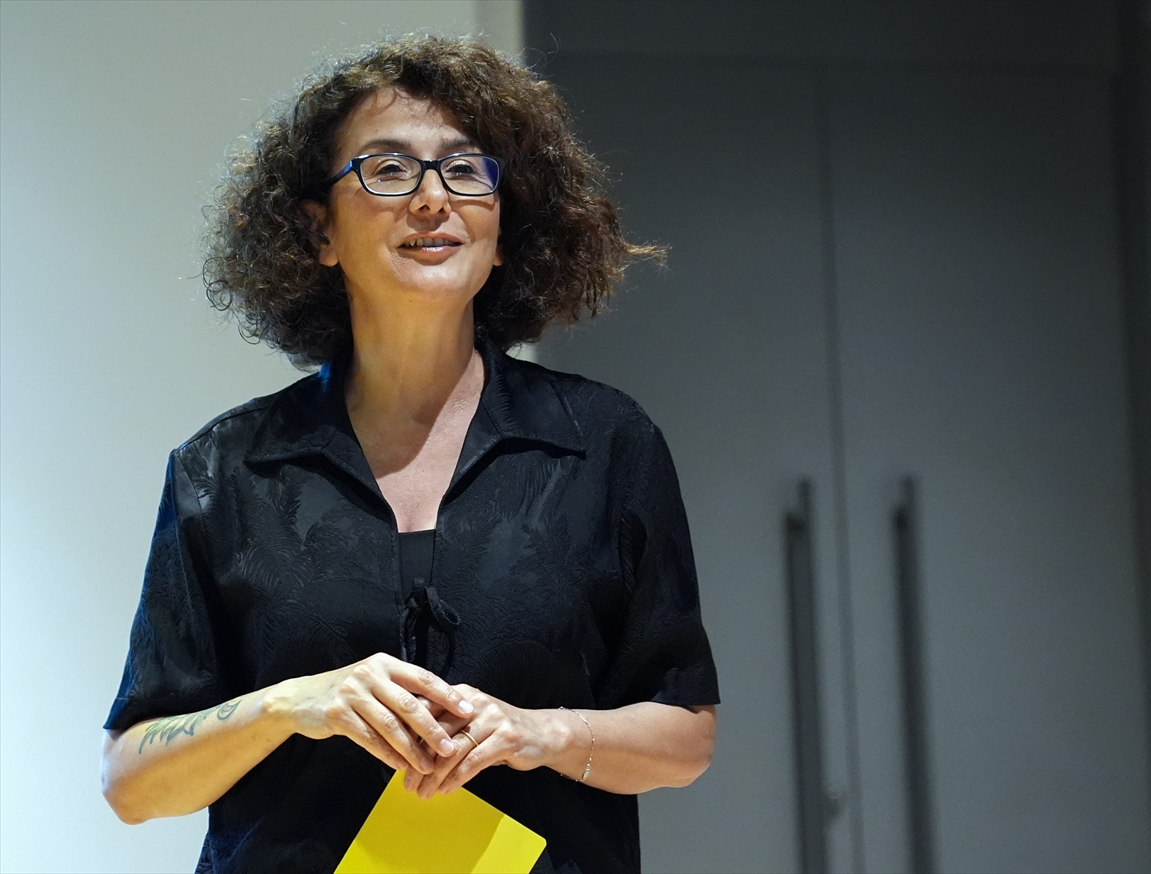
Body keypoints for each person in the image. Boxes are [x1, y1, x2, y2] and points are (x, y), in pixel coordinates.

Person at [100, 35, 719, 874]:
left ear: (502, 233)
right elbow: (131, 783)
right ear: (318, 231)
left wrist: (542, 733)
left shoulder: (608, 443)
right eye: (389, 171)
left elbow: (684, 737)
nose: (433, 199)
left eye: (465, 171)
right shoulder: (223, 469)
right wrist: (293, 704)